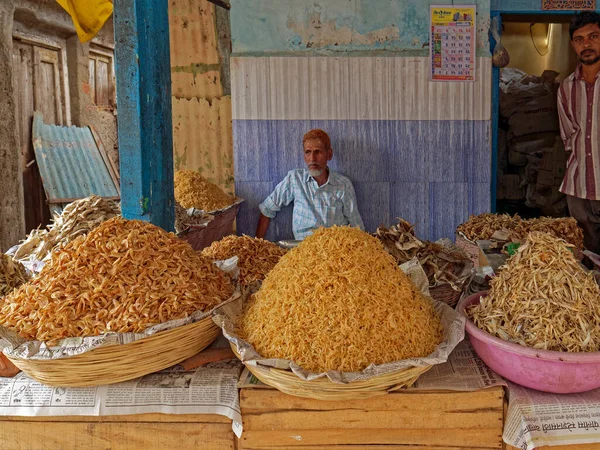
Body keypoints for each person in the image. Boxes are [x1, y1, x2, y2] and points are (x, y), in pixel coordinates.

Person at [255, 129, 364, 240]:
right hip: (303, 249)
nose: (312, 159)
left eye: (318, 152)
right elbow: (267, 209)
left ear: (329, 155)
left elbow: (357, 228)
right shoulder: (295, 179)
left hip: (334, 251)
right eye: (308, 152)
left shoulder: (343, 185)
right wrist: (258, 246)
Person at [557, 11, 600, 254]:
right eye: (580, 39)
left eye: (593, 36)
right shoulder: (565, 88)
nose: (587, 44)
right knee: (587, 258)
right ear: (574, 45)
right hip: (579, 189)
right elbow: (568, 138)